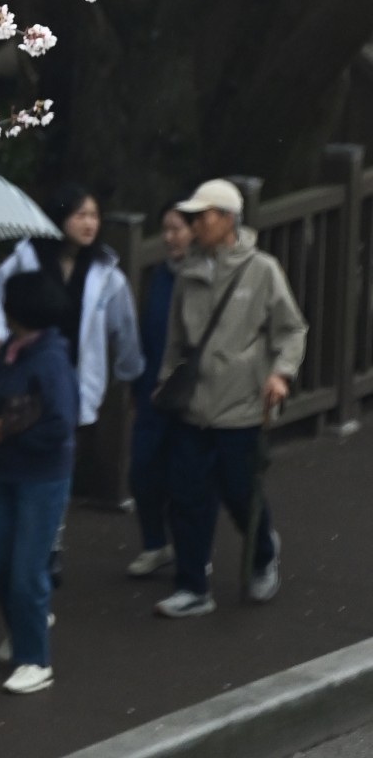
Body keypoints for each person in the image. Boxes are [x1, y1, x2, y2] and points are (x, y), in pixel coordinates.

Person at [153, 177, 308, 619]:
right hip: (193, 405)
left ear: (227, 219)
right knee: (186, 496)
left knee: (241, 493)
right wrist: (165, 384)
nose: (194, 224)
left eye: (201, 216)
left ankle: (262, 555)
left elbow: (291, 329)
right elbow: (176, 340)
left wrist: (281, 373)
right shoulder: (188, 272)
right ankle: (192, 586)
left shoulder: (262, 270)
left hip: (241, 406)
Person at [0, 185, 143, 438]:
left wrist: (130, 373)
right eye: (80, 215)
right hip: (26, 376)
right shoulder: (27, 258)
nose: (89, 223)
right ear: (59, 217)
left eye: (94, 216)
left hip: (77, 381)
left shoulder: (106, 273)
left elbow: (125, 328)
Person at [0, 269, 78, 696]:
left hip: (42, 477)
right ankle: (21, 629)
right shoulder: (9, 350)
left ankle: (35, 659)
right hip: (5, 471)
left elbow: (60, 423)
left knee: (27, 568)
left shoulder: (51, 360)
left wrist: (7, 432)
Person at [126, 201, 194, 577]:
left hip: (191, 392)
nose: (169, 238)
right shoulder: (160, 277)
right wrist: (139, 387)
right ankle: (155, 543)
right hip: (154, 388)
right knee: (142, 469)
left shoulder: (204, 276)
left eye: (177, 229)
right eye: (165, 230)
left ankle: (191, 551)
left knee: (187, 477)